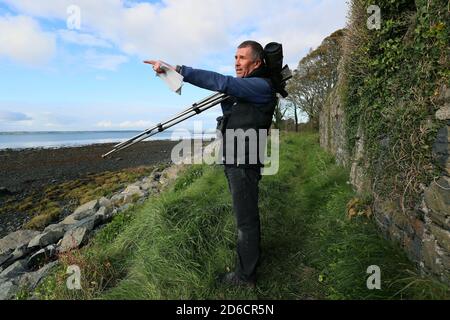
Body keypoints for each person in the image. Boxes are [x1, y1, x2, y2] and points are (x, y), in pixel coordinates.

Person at [145, 40, 278, 288]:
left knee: (246, 221)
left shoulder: (260, 85)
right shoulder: (248, 89)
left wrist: (179, 69)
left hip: (244, 162)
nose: (236, 62)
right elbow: (232, 110)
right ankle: (248, 257)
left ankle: (245, 277)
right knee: (244, 216)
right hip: (235, 159)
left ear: (257, 62)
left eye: (242, 58)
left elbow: (223, 82)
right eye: (235, 57)